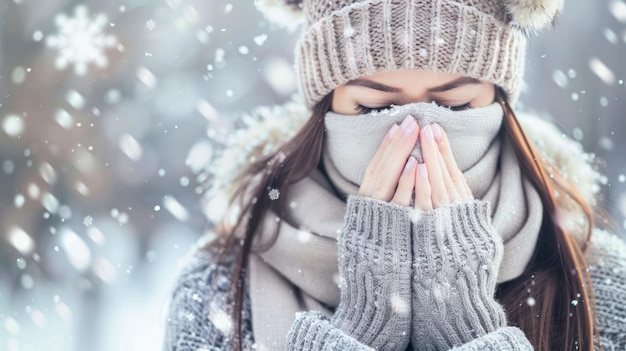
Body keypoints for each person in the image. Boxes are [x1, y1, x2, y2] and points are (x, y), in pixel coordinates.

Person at [163, 0, 626, 350]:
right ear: (325, 105)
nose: (416, 131)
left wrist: (465, 321)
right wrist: (364, 321)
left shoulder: (598, 283)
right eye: (375, 107)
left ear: (499, 101)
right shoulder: (217, 289)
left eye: (454, 106)